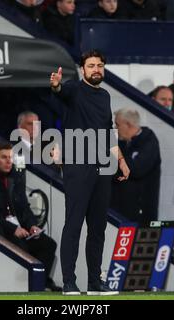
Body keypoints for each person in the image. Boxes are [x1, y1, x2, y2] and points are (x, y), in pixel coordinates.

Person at [49, 50, 130, 295]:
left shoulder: (105, 96)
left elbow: (108, 132)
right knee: (73, 225)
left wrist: (122, 161)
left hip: (103, 166)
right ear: (82, 69)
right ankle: (69, 282)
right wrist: (56, 86)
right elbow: (61, 91)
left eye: (100, 65)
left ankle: (95, 282)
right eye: (91, 65)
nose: (96, 69)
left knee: (98, 228)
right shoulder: (74, 89)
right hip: (77, 165)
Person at [0, 142, 61, 292]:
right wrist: (13, 229)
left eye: (11, 157)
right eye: (4, 157)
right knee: (22, 248)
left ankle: (43, 281)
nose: (9, 161)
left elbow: (23, 206)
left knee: (49, 244)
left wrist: (33, 225)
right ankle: (28, 285)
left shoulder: (14, 177)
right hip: (0, 229)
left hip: (20, 227)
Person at [111, 108, 161, 225]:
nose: (115, 128)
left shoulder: (149, 142)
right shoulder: (119, 142)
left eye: (117, 124)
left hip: (141, 215)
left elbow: (136, 170)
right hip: (117, 210)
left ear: (128, 124)